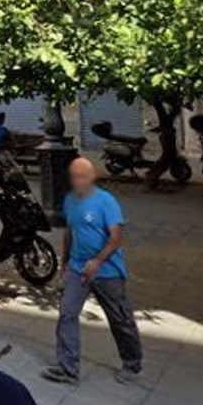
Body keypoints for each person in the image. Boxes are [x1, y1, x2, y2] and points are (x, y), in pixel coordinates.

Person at [42, 157, 144, 385]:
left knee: (120, 318)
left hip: (108, 271)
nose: (78, 181)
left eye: (82, 176)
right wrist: (65, 261)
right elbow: (70, 232)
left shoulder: (106, 201)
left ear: (92, 177)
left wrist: (97, 261)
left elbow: (116, 237)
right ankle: (68, 369)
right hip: (78, 269)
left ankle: (132, 362)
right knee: (67, 313)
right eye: (74, 176)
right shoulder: (70, 200)